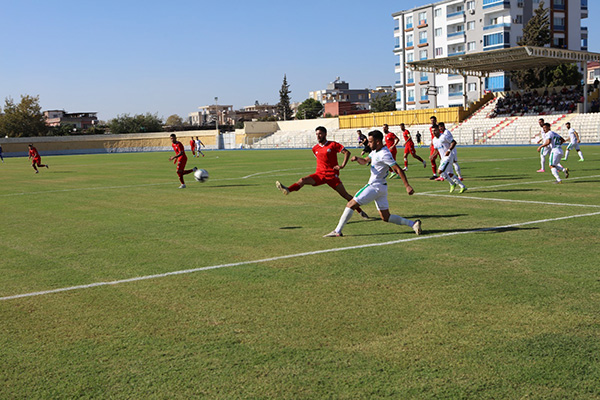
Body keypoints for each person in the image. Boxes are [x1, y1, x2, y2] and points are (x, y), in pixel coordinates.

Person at [323, 129, 421, 237]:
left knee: (351, 204)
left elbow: (398, 169)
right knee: (386, 217)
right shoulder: (375, 151)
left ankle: (337, 231)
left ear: (378, 142)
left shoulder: (384, 154)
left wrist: (407, 185)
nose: (368, 144)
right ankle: (413, 224)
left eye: (370, 141)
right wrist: (357, 159)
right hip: (381, 188)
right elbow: (365, 161)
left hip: (374, 186)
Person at [275, 126, 369, 219]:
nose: (318, 136)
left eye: (320, 133)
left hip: (332, 175)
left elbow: (347, 152)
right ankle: (288, 190)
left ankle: (360, 211)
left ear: (325, 134)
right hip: (319, 175)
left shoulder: (332, 144)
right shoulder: (315, 148)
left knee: (345, 195)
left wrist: (342, 165)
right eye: (316, 134)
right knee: (303, 180)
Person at [431, 125, 467, 193]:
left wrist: (449, 150)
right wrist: (433, 155)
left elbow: (454, 142)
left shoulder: (444, 136)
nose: (434, 132)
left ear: (438, 130)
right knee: (450, 173)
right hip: (443, 158)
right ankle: (462, 186)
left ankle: (452, 183)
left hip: (448, 157)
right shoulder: (434, 140)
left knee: (440, 171)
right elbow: (436, 149)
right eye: (432, 131)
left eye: (435, 130)